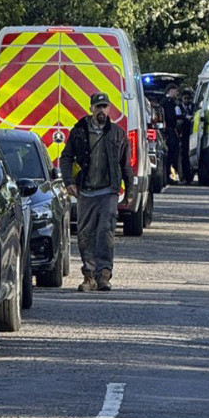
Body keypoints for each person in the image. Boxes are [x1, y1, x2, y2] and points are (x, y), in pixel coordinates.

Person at [62, 92, 129, 292]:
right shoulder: (79, 131)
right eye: (98, 107)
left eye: (104, 107)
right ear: (91, 108)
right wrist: (69, 182)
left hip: (108, 192)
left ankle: (104, 275)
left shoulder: (117, 133)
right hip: (86, 192)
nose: (101, 110)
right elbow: (66, 158)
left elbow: (126, 165)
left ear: (109, 109)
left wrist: (130, 189)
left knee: (106, 232)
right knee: (85, 234)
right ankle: (89, 276)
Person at [161, 83, 185, 184]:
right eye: (175, 91)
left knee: (173, 154)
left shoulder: (171, 102)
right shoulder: (167, 102)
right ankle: (169, 176)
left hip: (171, 131)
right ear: (171, 90)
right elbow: (170, 117)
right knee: (171, 155)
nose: (177, 93)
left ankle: (170, 175)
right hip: (169, 131)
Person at [178, 87, 196, 184]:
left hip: (192, 134)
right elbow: (178, 120)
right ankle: (184, 176)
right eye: (185, 99)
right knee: (184, 156)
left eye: (188, 99)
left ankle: (190, 176)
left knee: (190, 155)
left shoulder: (193, 107)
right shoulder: (178, 108)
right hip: (183, 134)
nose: (187, 101)